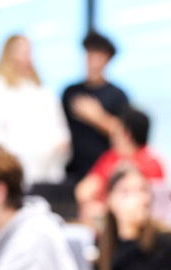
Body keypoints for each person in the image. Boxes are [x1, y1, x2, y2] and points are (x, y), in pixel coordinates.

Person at [0, 34, 70, 186]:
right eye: (21, 50)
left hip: (47, 173)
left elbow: (60, 129)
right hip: (14, 172)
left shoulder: (43, 91)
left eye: (28, 51)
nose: (26, 56)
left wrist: (61, 144)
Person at [75, 107, 165, 229]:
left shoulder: (151, 163)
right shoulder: (111, 157)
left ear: (126, 133)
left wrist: (104, 210)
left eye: (116, 126)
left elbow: (150, 207)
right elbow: (83, 191)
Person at [62, 30, 130, 183]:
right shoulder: (70, 92)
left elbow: (124, 135)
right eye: (89, 55)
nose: (92, 61)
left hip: (106, 172)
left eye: (98, 56)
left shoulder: (118, 95)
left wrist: (97, 117)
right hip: (73, 171)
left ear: (107, 59)